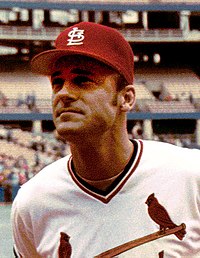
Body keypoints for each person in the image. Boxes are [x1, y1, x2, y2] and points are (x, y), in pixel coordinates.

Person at [11, 22, 200, 258]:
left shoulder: (191, 174)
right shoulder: (32, 202)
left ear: (127, 98)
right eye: (57, 82)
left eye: (82, 80)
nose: (64, 93)